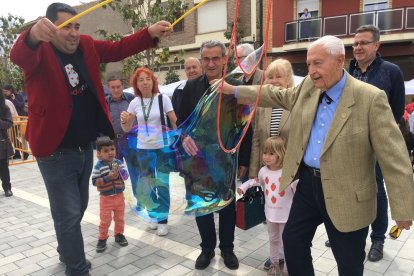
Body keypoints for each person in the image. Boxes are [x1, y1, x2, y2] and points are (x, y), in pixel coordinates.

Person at [220, 35, 414, 276]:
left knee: (349, 261)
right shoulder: (308, 88)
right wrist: (234, 90)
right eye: (309, 64)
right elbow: (276, 95)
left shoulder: (370, 98)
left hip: (348, 192)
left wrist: (403, 208)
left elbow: (394, 156)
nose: (311, 71)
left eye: (318, 63)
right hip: (308, 184)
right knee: (292, 240)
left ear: (340, 60)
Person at [10, 2, 171, 275]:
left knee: (76, 208)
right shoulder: (39, 50)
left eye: (76, 26)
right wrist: (34, 35)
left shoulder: (86, 45)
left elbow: (119, 47)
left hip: (85, 145)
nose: (73, 33)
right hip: (54, 149)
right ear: (49, 28)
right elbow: (19, 55)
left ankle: (65, 249)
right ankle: (76, 267)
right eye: (66, 27)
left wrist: (149, 33)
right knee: (70, 213)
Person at [332, 24, 405, 262]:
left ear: (377, 45)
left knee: (376, 191)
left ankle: (378, 240)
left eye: (363, 43)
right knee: (349, 189)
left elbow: (396, 112)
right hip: (347, 144)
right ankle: (350, 233)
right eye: (355, 43)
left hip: (375, 144)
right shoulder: (346, 71)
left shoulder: (391, 71)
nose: (358, 47)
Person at [177, 40, 251, 270]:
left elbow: (246, 124)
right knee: (201, 205)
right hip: (197, 159)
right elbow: (180, 121)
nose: (210, 63)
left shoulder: (236, 86)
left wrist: (245, 160)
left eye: (215, 58)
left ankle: (227, 249)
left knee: (228, 206)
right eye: (206, 59)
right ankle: (207, 248)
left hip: (226, 159)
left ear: (223, 60)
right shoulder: (190, 87)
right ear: (201, 61)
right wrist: (184, 138)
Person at [120, 67, 177, 236]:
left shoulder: (163, 99)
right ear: (136, 84)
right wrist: (124, 121)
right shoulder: (134, 103)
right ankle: (154, 215)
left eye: (148, 79)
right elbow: (127, 128)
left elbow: (174, 120)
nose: (145, 82)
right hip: (143, 150)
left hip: (161, 149)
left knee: (163, 185)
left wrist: (179, 139)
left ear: (153, 81)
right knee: (147, 185)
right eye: (140, 80)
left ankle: (163, 220)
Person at [250, 59, 294, 271]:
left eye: (279, 76)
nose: (274, 81)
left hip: (289, 172)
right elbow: (257, 140)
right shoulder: (263, 104)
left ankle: (289, 256)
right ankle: (276, 257)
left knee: (290, 220)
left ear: (288, 80)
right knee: (273, 218)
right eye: (270, 77)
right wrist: (253, 172)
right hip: (269, 171)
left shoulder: (295, 102)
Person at [238, 136, 296, 276]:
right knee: (273, 240)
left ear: (281, 153)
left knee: (287, 242)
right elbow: (256, 182)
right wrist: (244, 187)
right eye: (265, 153)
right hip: (270, 215)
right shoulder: (263, 171)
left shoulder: (288, 173)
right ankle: (274, 264)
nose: (266, 157)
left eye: (271, 153)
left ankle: (289, 268)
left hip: (286, 216)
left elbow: (298, 191)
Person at [91, 137, 129, 253]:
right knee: (105, 220)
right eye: (106, 151)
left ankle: (119, 234)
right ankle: (102, 238)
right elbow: (94, 181)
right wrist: (108, 178)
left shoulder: (118, 163)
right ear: (99, 154)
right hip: (106, 198)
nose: (110, 153)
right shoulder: (98, 166)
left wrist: (120, 172)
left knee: (120, 218)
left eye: (112, 149)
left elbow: (126, 176)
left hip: (119, 196)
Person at [105, 75, 135, 161]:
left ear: (122, 86)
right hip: (113, 142)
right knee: (115, 171)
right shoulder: (105, 103)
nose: (116, 90)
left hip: (131, 140)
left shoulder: (131, 99)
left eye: (118, 86)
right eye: (113, 87)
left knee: (135, 169)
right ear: (108, 88)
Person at [0, 91, 14, 197]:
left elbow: (9, 124)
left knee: (3, 167)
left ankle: (7, 188)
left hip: (1, 143)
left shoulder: (4, 108)